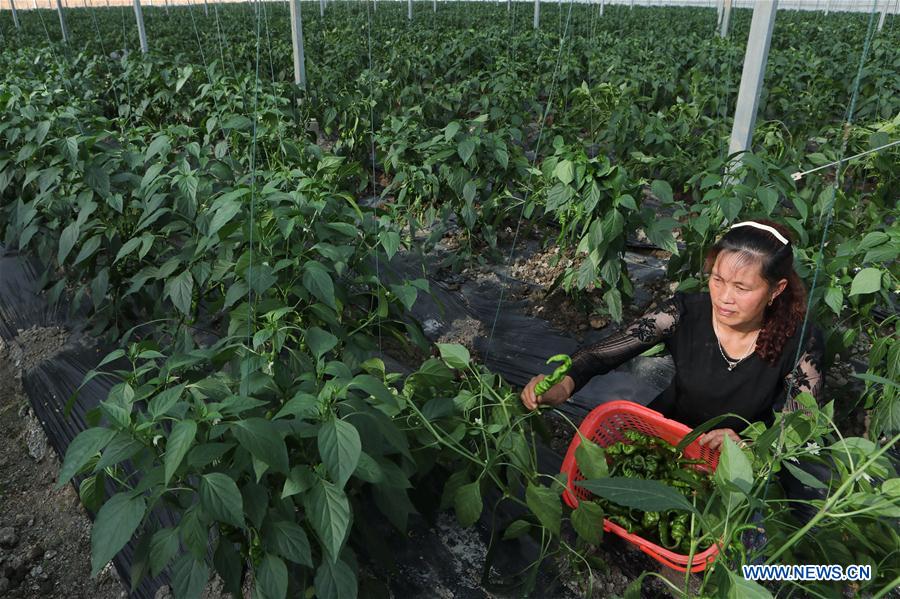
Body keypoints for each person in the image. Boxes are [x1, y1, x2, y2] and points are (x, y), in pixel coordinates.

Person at [520, 219, 825, 452]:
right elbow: (599, 355)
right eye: (717, 280)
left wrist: (747, 445)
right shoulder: (684, 314)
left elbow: (799, 426)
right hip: (666, 431)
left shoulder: (800, 341)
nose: (724, 298)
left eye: (742, 288)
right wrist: (562, 385)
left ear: (776, 289)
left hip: (737, 463)